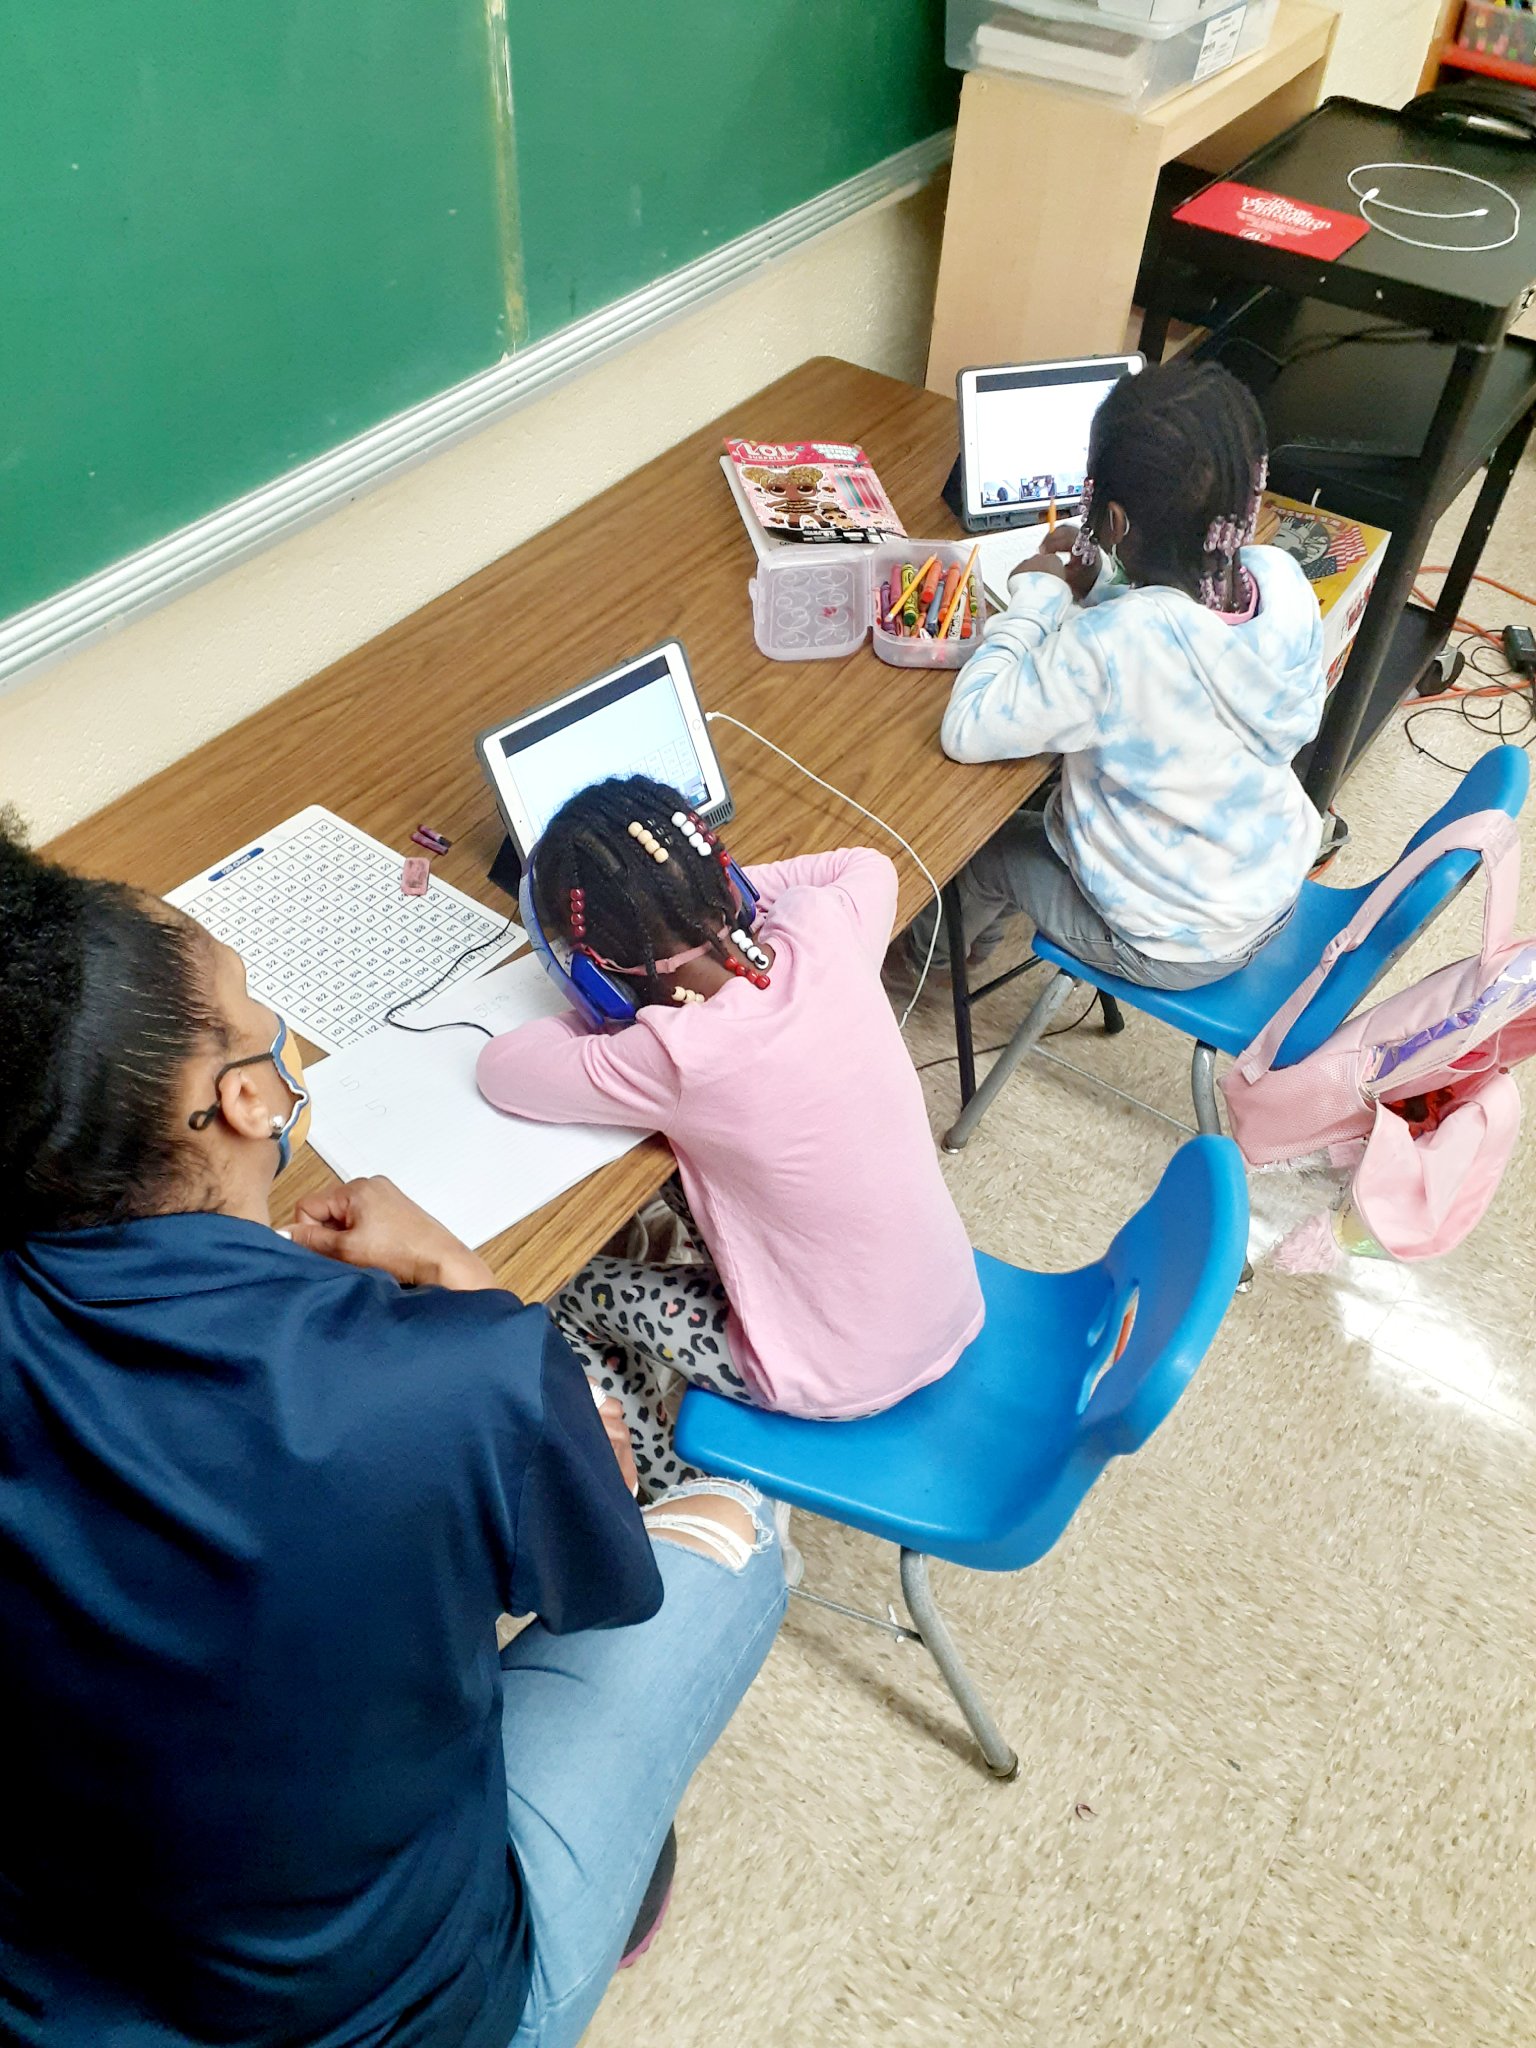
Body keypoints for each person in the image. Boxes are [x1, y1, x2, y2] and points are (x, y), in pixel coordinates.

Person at [0, 817, 784, 2048]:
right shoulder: (462, 1375)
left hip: (75, 2006)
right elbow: (598, 1563)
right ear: (248, 1099)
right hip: (410, 2011)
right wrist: (468, 1279)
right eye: (258, 1016)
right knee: (742, 1530)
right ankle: (593, 1900)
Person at [476, 774, 983, 1493]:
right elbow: (865, 864)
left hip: (840, 1370)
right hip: (945, 1300)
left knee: (574, 1295)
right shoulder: (825, 929)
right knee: (697, 1178)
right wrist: (713, 908)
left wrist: (602, 997)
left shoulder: (676, 1054)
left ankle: (683, 1496)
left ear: (605, 968)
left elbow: (505, 1069)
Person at [927, 360, 1327, 991]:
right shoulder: (1283, 581)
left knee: (982, 854)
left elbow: (969, 727)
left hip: (1175, 944)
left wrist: (1037, 597)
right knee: (1036, 811)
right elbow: (1185, 640)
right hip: (1265, 883)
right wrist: (1110, 584)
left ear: (1114, 523)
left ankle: (917, 976)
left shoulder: (1112, 646)